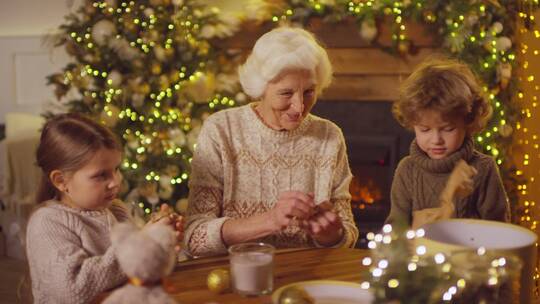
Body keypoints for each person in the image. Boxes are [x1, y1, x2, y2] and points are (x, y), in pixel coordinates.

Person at [184, 26, 358, 257]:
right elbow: (195, 238)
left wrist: (331, 235)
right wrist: (270, 220)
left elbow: (346, 237)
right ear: (260, 88)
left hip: (305, 275)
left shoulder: (329, 136)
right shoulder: (221, 130)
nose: (299, 107)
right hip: (235, 274)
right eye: (286, 93)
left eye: (309, 92)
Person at [26, 113, 182, 304]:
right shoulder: (46, 223)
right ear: (61, 181)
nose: (115, 182)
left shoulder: (116, 209)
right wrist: (142, 243)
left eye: (116, 169)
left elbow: (137, 270)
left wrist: (160, 243)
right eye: (101, 175)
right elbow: (72, 288)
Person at [386, 58, 510, 229]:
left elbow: (499, 230)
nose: (436, 140)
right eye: (424, 130)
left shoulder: (483, 169)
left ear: (468, 122)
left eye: (448, 129)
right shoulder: (407, 170)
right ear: (412, 124)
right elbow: (395, 230)